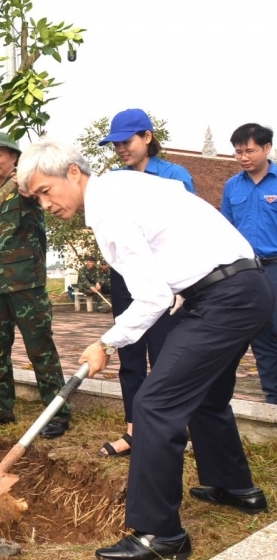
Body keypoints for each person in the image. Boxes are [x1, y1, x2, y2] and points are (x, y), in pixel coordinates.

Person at [19, 138, 271, 560]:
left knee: (154, 405)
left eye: (45, 191)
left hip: (226, 297)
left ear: (74, 173)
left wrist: (105, 342)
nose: (45, 204)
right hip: (242, 288)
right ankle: (234, 487)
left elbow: (150, 296)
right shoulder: (126, 186)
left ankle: (160, 537)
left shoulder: (110, 209)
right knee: (205, 395)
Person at [98, 109, 195, 457]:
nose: (120, 149)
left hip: (163, 279)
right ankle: (133, 431)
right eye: (115, 144)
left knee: (165, 355)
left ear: (147, 137)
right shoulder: (115, 179)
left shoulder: (173, 176)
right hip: (126, 275)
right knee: (131, 353)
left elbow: (183, 230)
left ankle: (173, 432)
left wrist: (180, 288)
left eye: (126, 141)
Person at [0, 131, 70, 438]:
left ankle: (57, 413)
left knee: (40, 350)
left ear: (14, 157)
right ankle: (2, 408)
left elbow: (38, 195)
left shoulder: (25, 187)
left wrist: (25, 181)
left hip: (26, 285)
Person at [221, 122, 277, 405]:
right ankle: (273, 399)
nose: (243, 157)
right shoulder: (232, 186)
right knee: (261, 334)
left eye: (249, 151)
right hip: (247, 271)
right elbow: (226, 229)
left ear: (267, 148)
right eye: (238, 152)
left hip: (276, 267)